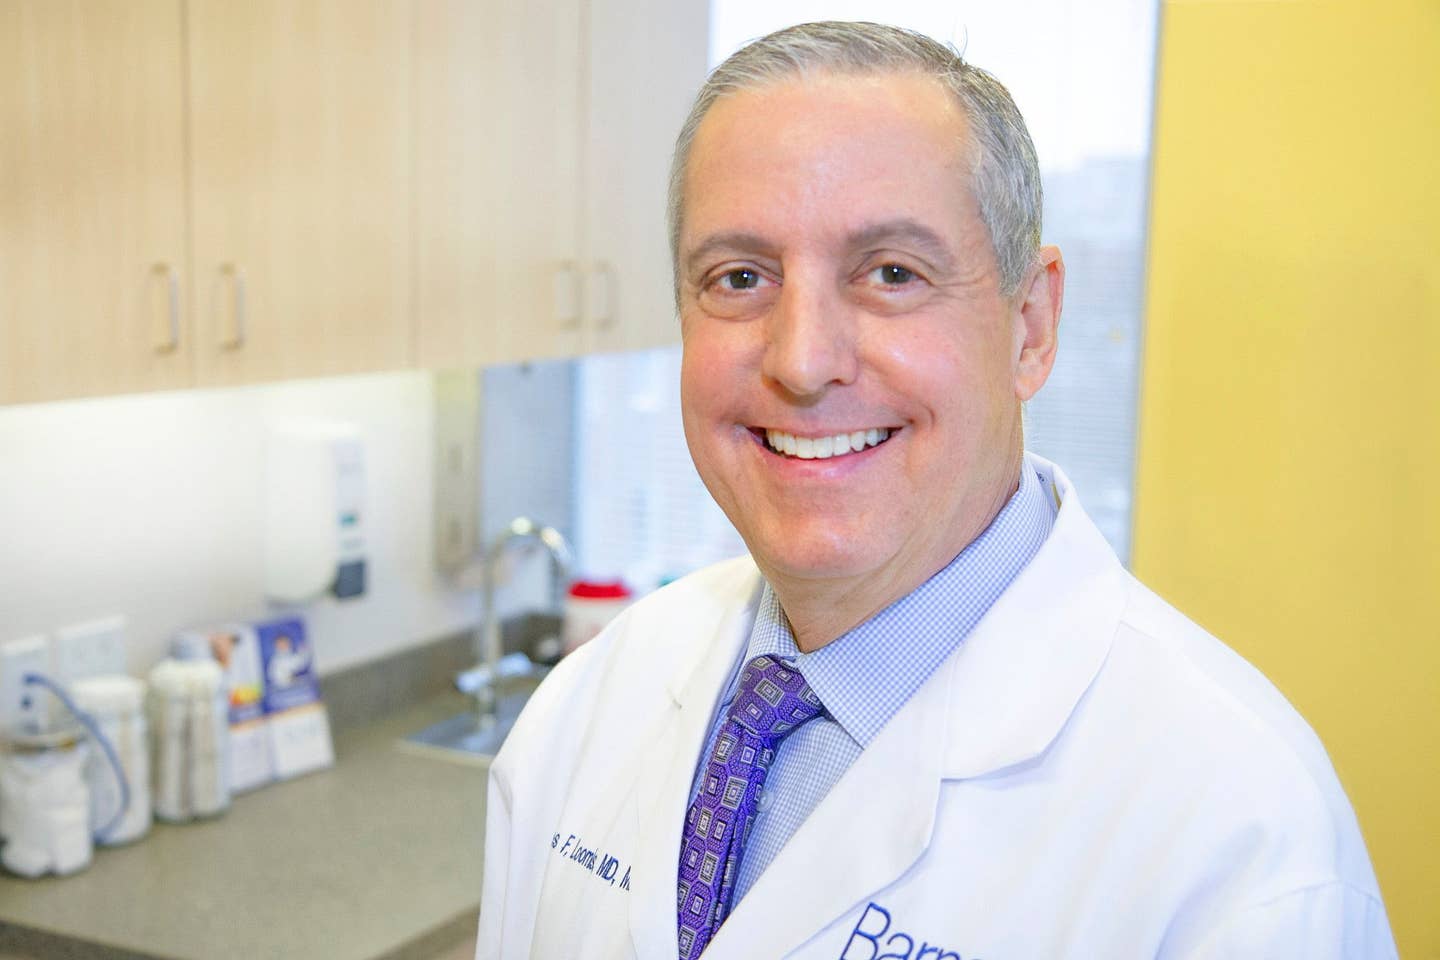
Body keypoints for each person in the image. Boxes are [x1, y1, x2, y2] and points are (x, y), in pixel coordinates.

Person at [475, 21, 1396, 959]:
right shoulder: (593, 699)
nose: (801, 360)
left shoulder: (1241, 837)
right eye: (740, 277)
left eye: (891, 274)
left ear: (1030, 328)